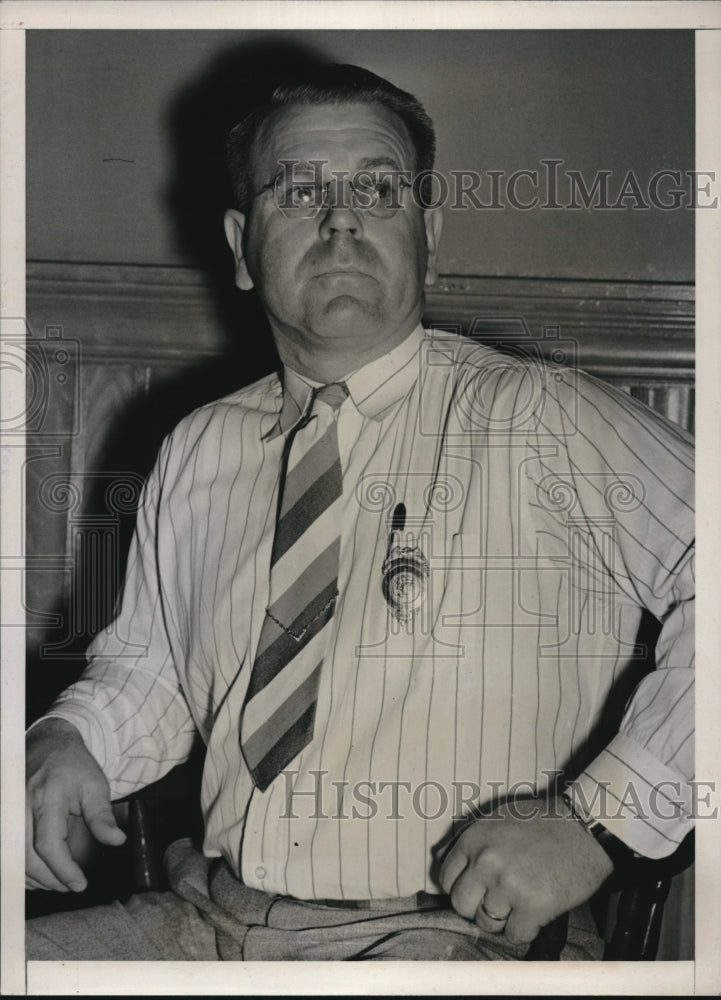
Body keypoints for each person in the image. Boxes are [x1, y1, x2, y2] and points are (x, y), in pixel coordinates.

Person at [26, 63, 694, 962]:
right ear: (239, 244)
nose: (340, 219)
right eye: (299, 190)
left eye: (378, 189)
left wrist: (596, 822)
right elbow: (151, 679)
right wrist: (73, 735)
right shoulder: (199, 446)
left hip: (458, 938)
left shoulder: (542, 417)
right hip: (214, 920)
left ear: (430, 232)